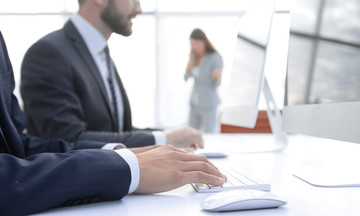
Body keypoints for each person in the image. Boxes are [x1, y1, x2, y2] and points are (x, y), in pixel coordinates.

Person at [0, 31, 226, 216]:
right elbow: (68, 135)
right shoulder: (49, 52)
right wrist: (126, 166)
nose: (139, 8)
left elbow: (18, 144)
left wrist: (124, 153)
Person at [20, 0, 202, 149]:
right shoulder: (48, 54)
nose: (139, 9)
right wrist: (163, 139)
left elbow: (116, 132)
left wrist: (170, 138)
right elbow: (69, 140)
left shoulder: (99, 53)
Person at [184, 28, 223, 133]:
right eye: (192, 44)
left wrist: (215, 77)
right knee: (191, 134)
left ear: (204, 42)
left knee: (209, 134)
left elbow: (216, 84)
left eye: (196, 44)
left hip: (208, 103)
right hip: (194, 102)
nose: (194, 47)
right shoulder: (194, 57)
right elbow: (186, 77)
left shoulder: (215, 57)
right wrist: (191, 61)